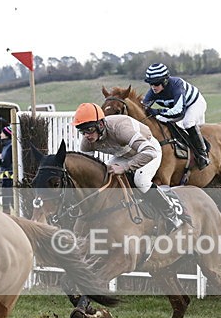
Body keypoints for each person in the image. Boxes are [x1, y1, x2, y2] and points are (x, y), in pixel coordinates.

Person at [72, 102, 183, 231]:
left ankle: (170, 212)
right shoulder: (87, 142)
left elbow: (149, 152)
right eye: (82, 131)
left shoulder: (120, 129)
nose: (87, 135)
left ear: (101, 125)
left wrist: (125, 167)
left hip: (148, 150)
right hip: (124, 153)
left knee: (140, 180)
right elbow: (87, 169)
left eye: (90, 129)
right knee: (103, 176)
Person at [141, 63, 210, 170]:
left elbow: (179, 112)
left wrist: (158, 111)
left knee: (188, 122)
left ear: (165, 81)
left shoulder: (177, 84)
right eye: (151, 84)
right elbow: (142, 108)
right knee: (161, 120)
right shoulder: (153, 92)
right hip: (178, 107)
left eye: (156, 83)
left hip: (194, 103)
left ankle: (203, 154)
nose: (153, 87)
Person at [0, 125, 14, 213]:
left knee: (7, 197)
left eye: (2, 133)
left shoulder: (10, 147)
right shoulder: (6, 146)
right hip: (6, 175)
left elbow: (6, 162)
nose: (0, 135)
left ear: (7, 134)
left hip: (9, 176)